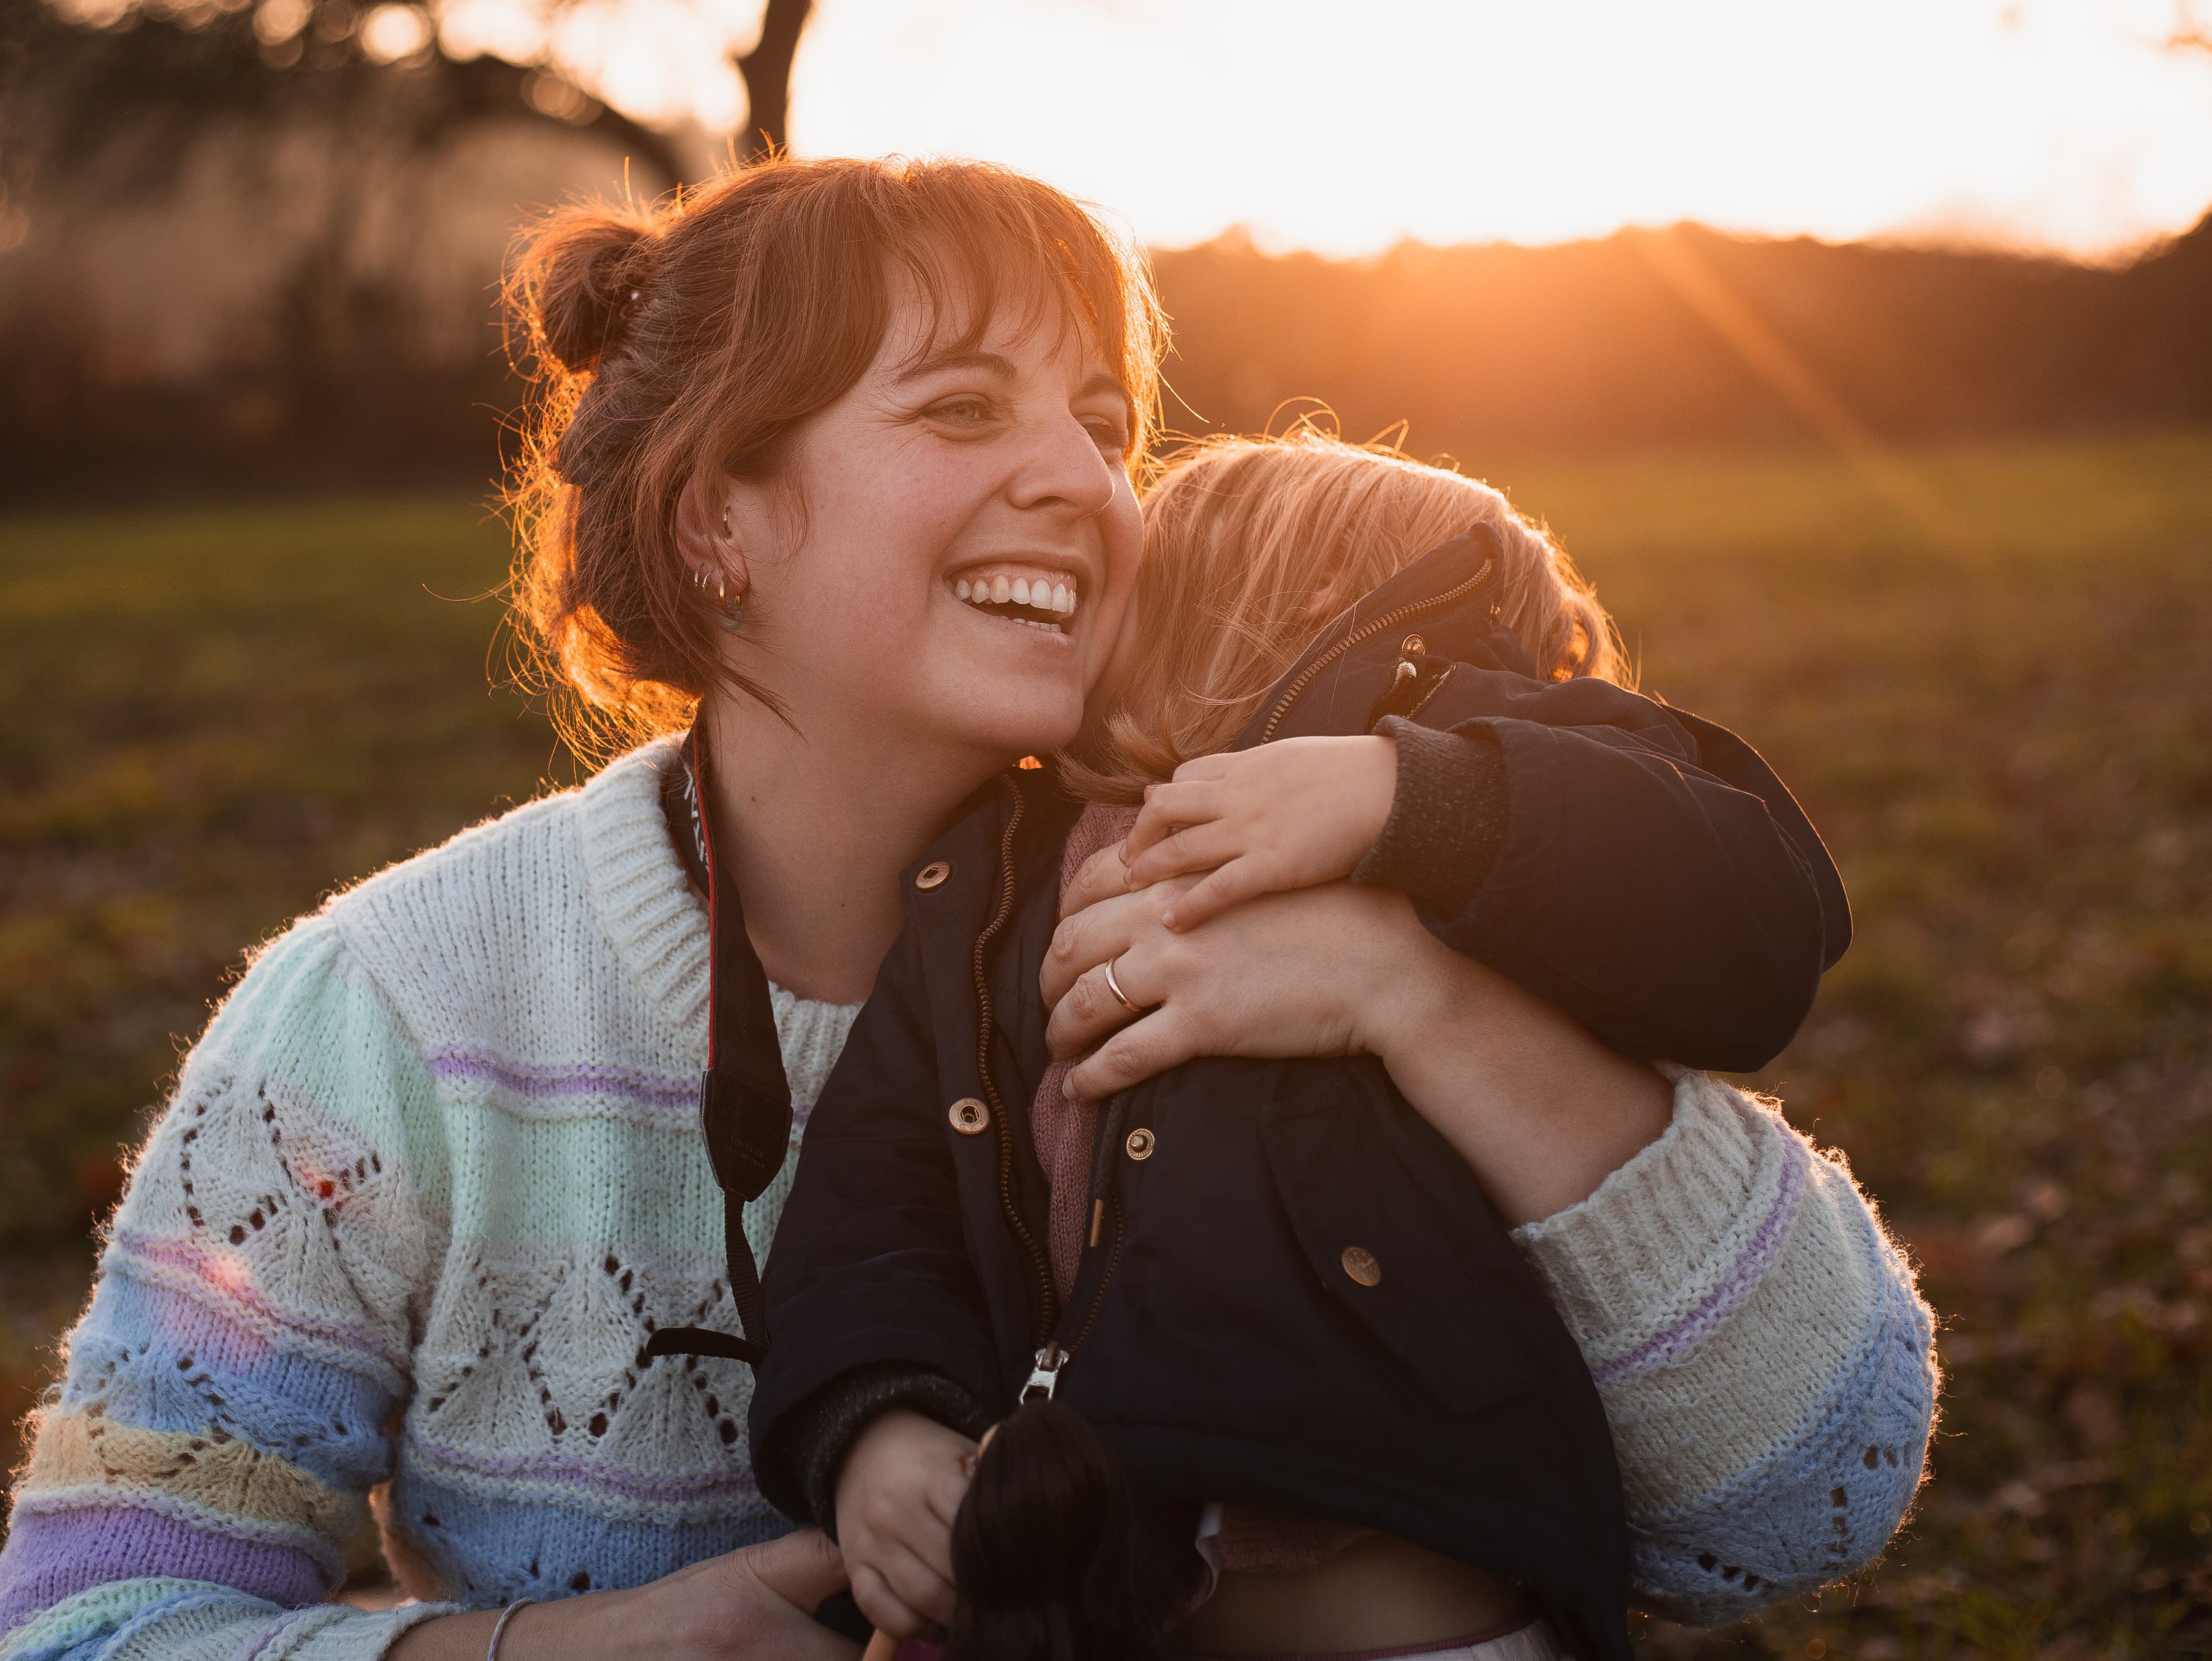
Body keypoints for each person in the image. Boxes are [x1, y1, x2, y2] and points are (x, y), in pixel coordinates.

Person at [0, 158, 1932, 1661]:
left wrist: (1416, 998)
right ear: (716, 519)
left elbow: (1801, 1498)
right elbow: (89, 1632)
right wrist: (578, 1648)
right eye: (964, 410)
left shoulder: (1290, 869)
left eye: (1100, 416)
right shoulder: (387, 1019)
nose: (1082, 481)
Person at [749, 431, 1920, 1661]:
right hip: (1074, 1591)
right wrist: (877, 1427)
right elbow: (875, 1199)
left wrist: (1402, 794)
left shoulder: (1454, 764)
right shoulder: (991, 877)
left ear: (1310, 595)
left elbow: (1754, 913)